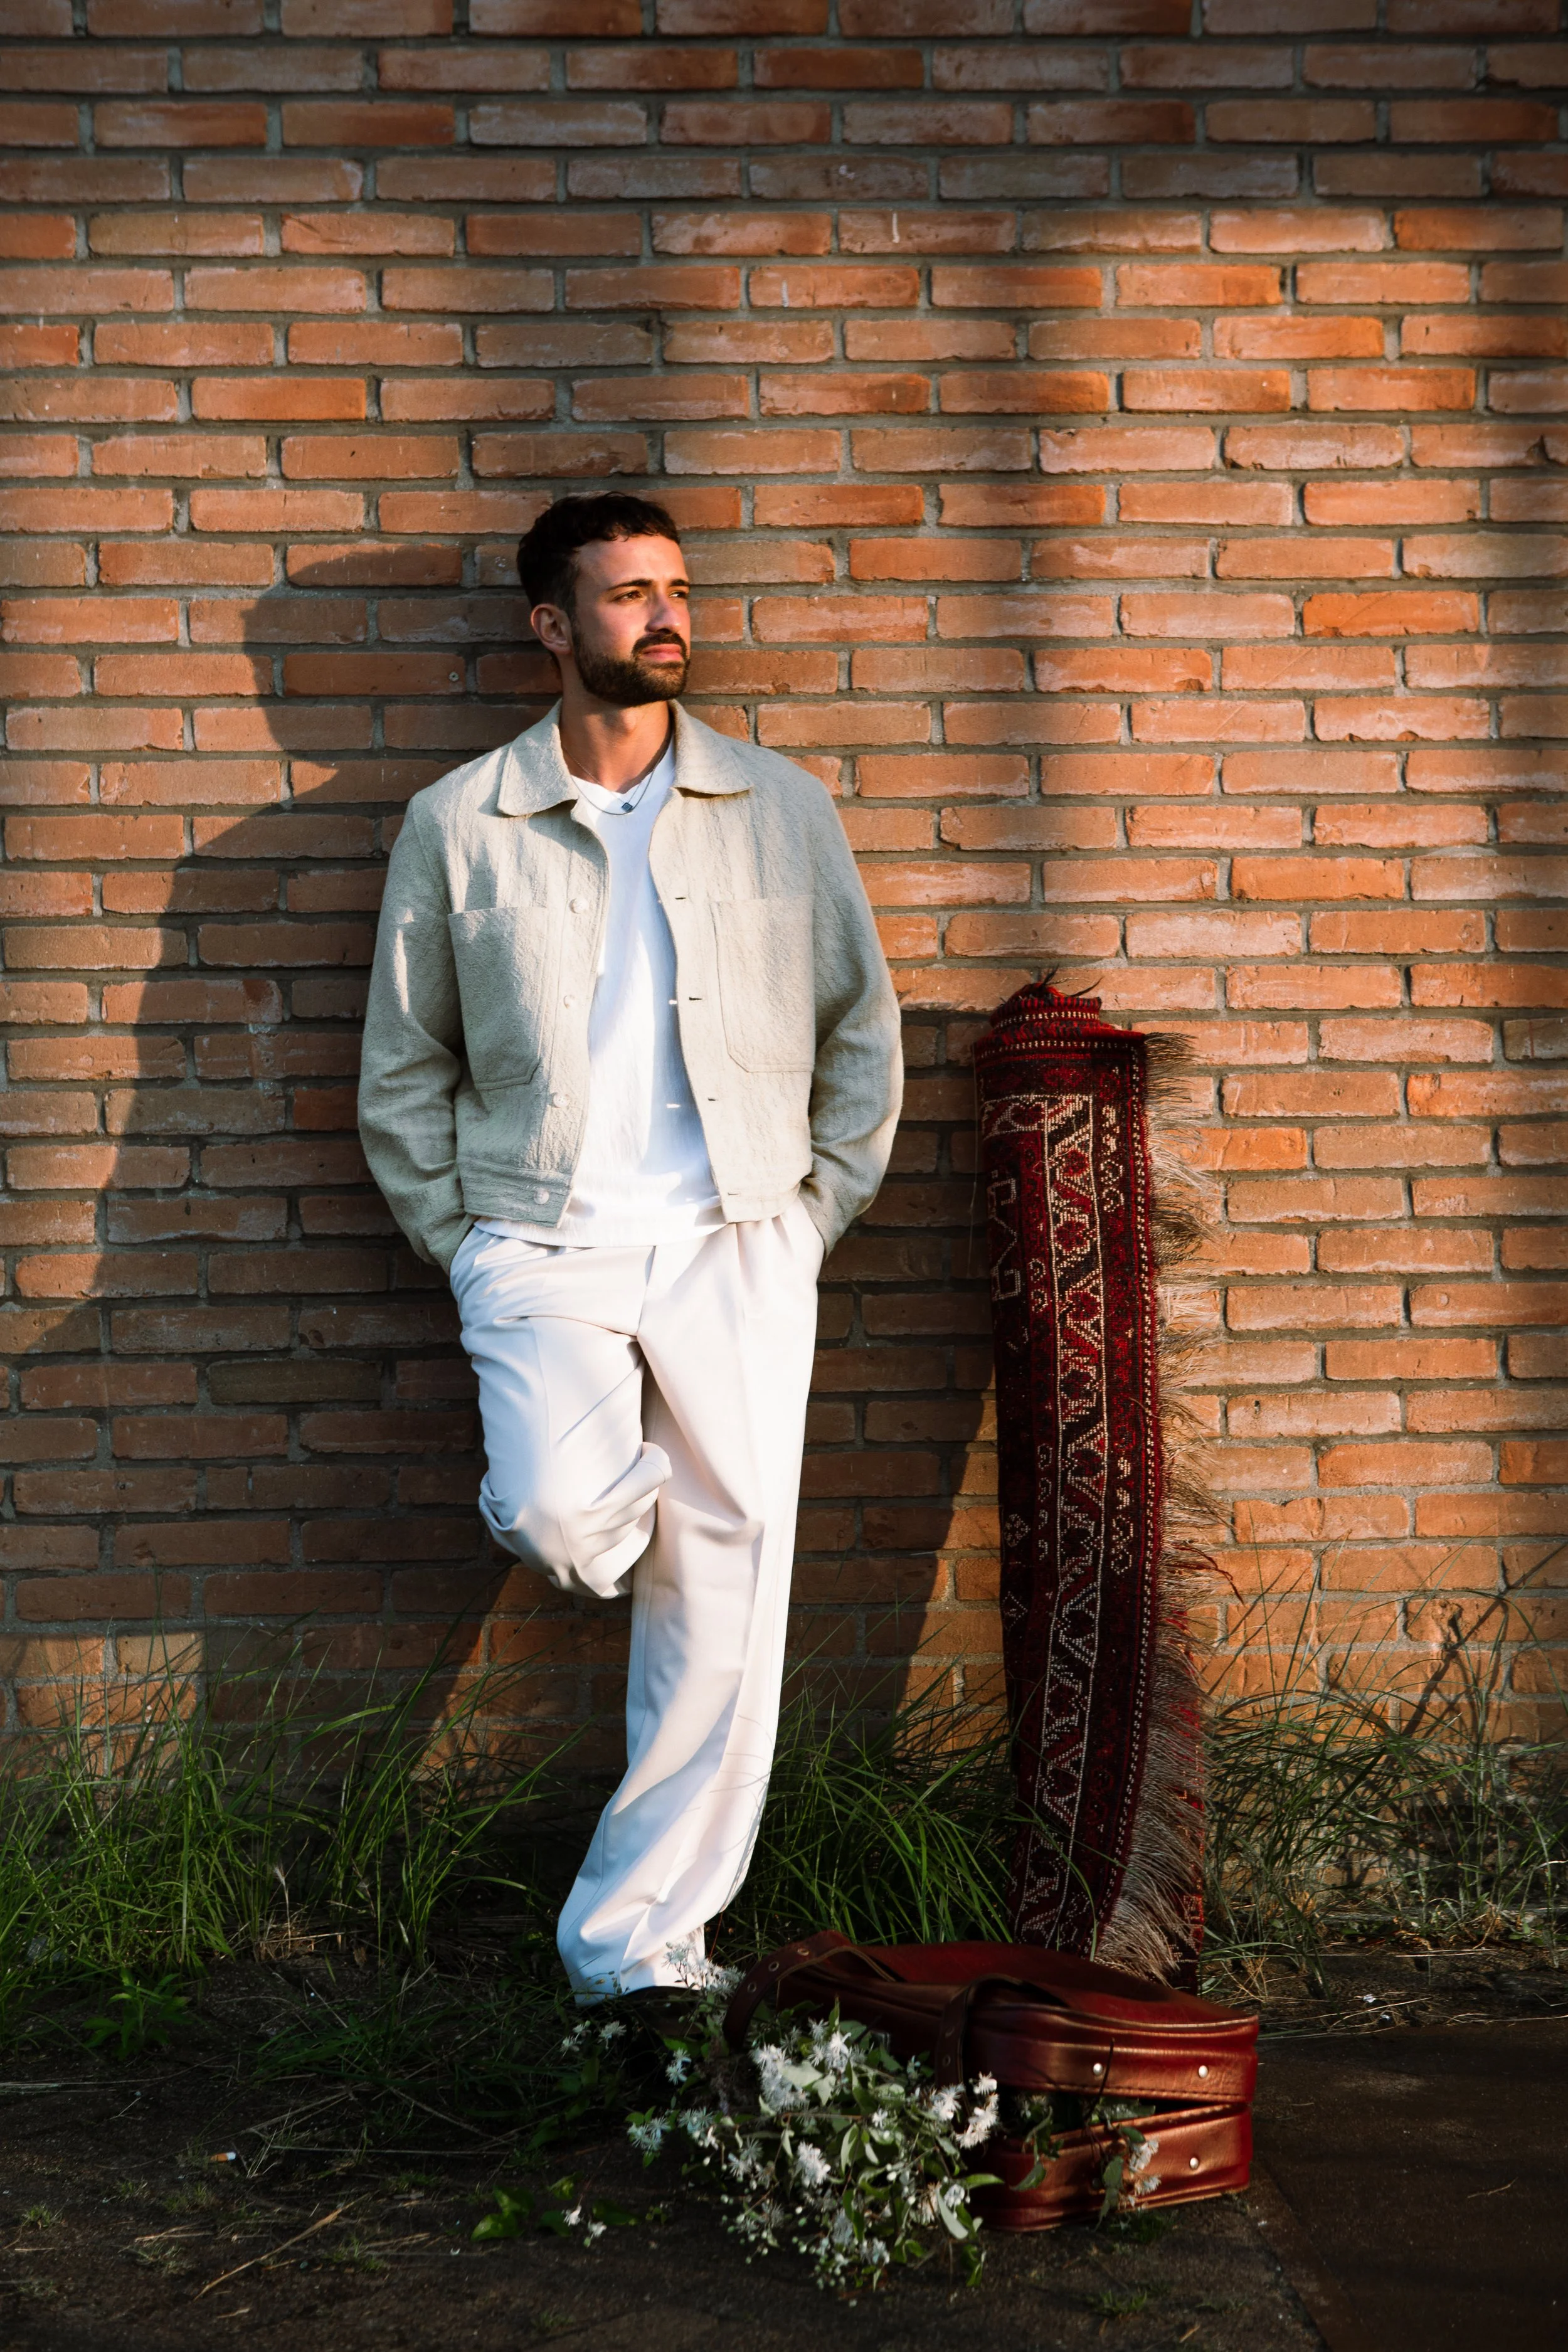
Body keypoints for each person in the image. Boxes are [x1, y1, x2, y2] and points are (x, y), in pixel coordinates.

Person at [358, 492, 903, 1998]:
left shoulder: (778, 809)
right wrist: (462, 1244)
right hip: (543, 1242)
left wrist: (805, 1221)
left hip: (736, 1238)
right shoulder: (460, 823)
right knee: (552, 1510)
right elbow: (404, 1065)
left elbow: (860, 1029)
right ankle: (656, 1495)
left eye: (674, 590)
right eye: (623, 596)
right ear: (552, 626)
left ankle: (641, 1952)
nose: (663, 617)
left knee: (724, 1605)